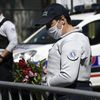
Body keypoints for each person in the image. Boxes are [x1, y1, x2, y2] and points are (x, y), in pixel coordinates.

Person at [35, 3, 92, 100]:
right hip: (70, 92)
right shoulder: (70, 39)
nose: (48, 29)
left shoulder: (72, 40)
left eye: (50, 24)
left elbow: (68, 76)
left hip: (71, 93)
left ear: (62, 20)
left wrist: (46, 83)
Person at [0, 4, 18, 100]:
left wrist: (2, 57)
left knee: (5, 89)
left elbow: (14, 42)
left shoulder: (7, 24)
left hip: (4, 64)